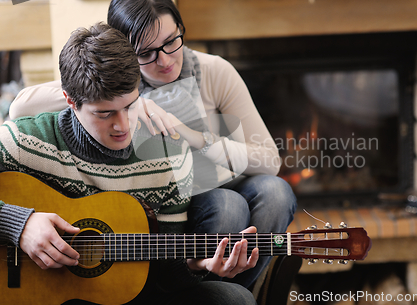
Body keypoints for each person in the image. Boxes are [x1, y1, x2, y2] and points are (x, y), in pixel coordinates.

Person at [9, 0, 297, 288]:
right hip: (182, 200)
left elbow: (269, 161)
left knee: (276, 192)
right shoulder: (120, 85)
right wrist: (135, 99)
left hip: (227, 179)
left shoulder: (215, 71)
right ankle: (212, 291)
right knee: (229, 206)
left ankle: (242, 289)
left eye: (172, 41)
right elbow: (20, 108)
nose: (165, 60)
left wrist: (192, 135)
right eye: (146, 52)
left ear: (181, 28)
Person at [0, 22, 259, 305]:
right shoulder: (23, 141)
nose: (122, 125)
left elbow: (164, 278)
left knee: (235, 299)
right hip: (42, 295)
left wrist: (196, 266)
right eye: (105, 113)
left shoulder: (169, 154)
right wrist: (19, 225)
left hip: (130, 295)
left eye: (131, 105)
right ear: (70, 101)